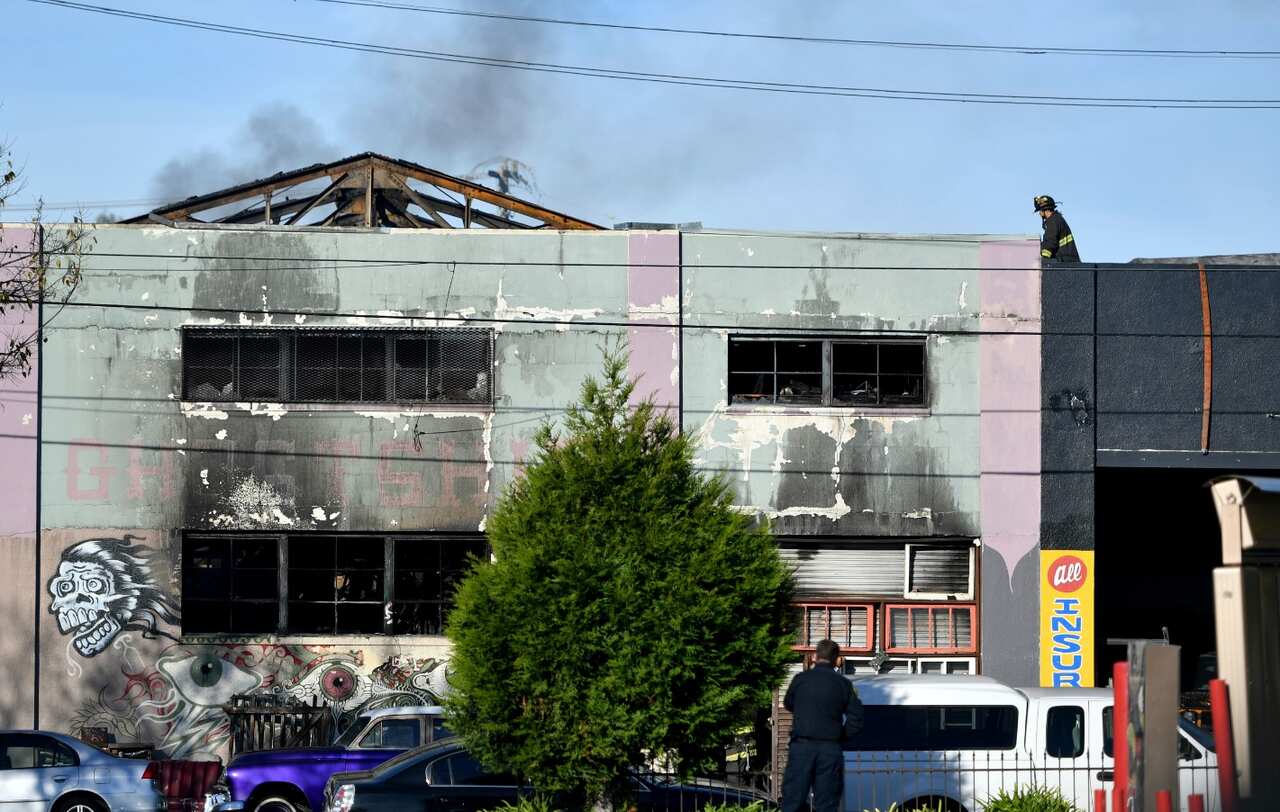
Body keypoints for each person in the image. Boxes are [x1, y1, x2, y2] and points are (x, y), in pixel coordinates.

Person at [781, 639, 864, 812]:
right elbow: (856, 717)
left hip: (801, 746)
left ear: (815, 656)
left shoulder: (800, 679)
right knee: (827, 804)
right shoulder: (843, 684)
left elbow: (788, 703)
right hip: (829, 748)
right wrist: (842, 736)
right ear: (836, 659)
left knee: (792, 801)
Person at [1034, 195, 1081, 262]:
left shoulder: (1053, 221)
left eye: (1039, 210)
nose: (1039, 213)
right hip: (1069, 261)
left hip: (1064, 263)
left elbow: (1050, 242)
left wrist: (1044, 259)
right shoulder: (1057, 219)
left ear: (1044, 210)